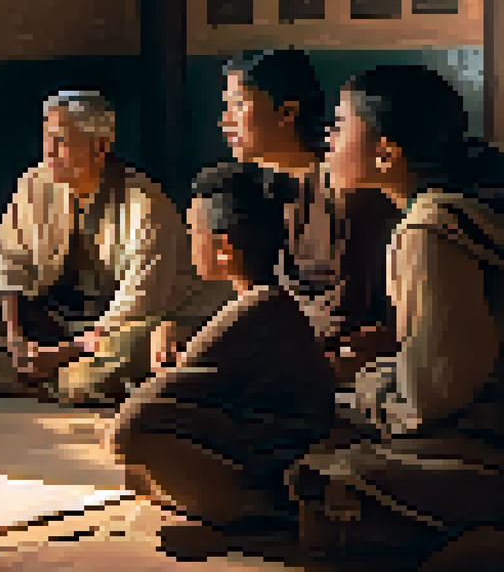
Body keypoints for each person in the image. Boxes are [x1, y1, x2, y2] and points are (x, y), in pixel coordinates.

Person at [287, 65, 504, 568]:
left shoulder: (431, 227)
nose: (328, 136)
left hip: (482, 441)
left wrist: (364, 380)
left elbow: (432, 397)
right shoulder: (454, 210)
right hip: (471, 424)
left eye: (340, 125)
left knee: (318, 475)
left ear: (385, 153)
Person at [108, 161, 337, 561]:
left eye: (193, 232)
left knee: (132, 436)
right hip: (264, 450)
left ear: (224, 249)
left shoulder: (257, 309)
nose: (187, 241)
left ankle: (255, 516)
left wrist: (168, 376)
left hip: (277, 471)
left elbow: (135, 417)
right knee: (139, 459)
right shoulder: (264, 303)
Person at [0, 90, 210, 405]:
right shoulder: (33, 184)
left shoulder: (145, 203)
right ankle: (54, 377)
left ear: (99, 148)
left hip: (118, 328)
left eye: (60, 142)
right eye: (46, 139)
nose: (48, 151)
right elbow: (9, 264)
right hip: (59, 319)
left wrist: (62, 353)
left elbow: (137, 307)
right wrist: (15, 337)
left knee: (136, 345)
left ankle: (48, 378)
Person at [154, 48, 401, 384]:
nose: (225, 121)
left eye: (239, 105)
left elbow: (348, 314)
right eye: (225, 106)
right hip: (282, 340)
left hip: (341, 355)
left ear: (287, 112)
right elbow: (254, 293)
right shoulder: (259, 186)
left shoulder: (348, 192)